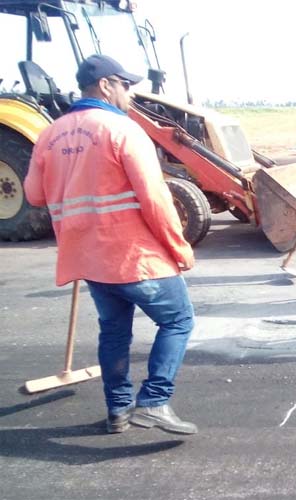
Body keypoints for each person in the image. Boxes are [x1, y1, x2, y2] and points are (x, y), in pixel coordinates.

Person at [24, 55, 197, 435]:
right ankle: (153, 401)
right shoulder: (123, 130)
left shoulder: (49, 134)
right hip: (134, 256)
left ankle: (118, 410)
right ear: (106, 86)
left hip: (89, 258)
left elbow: (34, 195)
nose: (129, 92)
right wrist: (180, 248)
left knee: (114, 330)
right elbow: (155, 198)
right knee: (178, 319)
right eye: (124, 84)